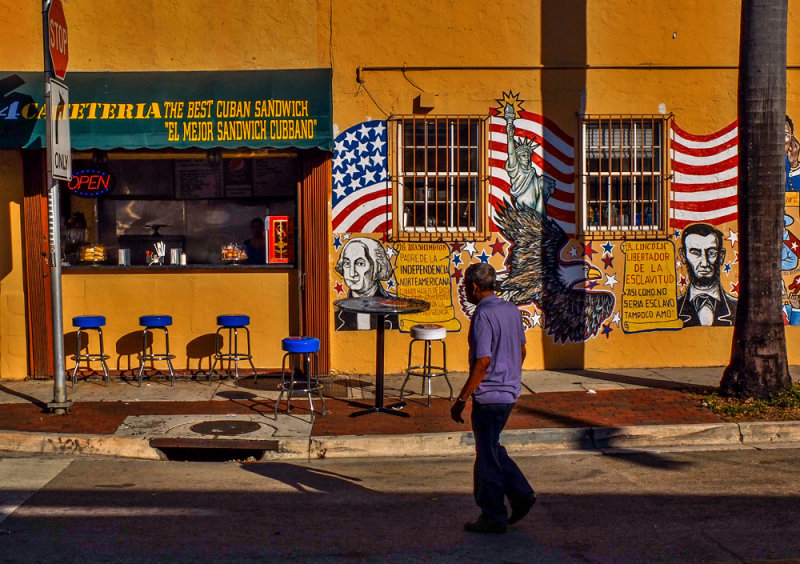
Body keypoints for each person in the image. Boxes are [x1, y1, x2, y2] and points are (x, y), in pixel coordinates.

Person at [450, 263, 535, 534]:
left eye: (465, 286)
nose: (465, 290)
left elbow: (483, 361)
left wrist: (462, 398)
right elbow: (521, 351)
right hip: (509, 392)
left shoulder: (483, 316)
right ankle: (520, 493)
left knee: (486, 455)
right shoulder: (511, 310)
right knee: (491, 447)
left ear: (474, 287)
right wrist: (510, 375)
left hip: (490, 396)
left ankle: (494, 514)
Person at [676, 223, 737, 326]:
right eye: (695, 253)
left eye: (711, 253)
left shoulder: (737, 307)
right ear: (683, 255)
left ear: (721, 256)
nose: (704, 263)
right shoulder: (673, 310)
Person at [334, 237, 398, 330]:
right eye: (347, 263)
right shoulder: (338, 312)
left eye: (360, 263)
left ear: (377, 268)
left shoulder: (396, 308)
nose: (352, 273)